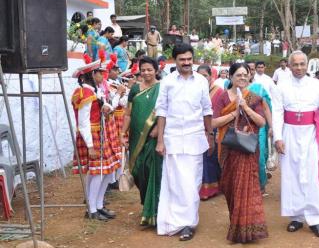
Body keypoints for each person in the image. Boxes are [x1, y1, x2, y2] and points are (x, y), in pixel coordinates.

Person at [155, 43, 213, 241]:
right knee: (175, 182)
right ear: (175, 61)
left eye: (189, 59)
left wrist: (210, 134)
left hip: (195, 138)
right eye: (182, 60)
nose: (187, 63)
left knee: (191, 183)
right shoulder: (167, 82)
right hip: (172, 139)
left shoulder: (201, 82)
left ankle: (188, 223)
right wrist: (160, 141)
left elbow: (207, 110)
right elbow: (161, 112)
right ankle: (174, 222)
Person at [273, 51, 319, 238]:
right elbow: (277, 113)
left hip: (312, 134)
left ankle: (316, 219)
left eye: (302, 64)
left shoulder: (318, 86)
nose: (298, 68)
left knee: (313, 175)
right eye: (295, 64)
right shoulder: (281, 86)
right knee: (292, 175)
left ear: (307, 65)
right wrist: (278, 138)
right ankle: (297, 217)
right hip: (290, 133)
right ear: (289, 66)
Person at [212, 63, 268, 243]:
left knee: (247, 188)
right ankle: (236, 223)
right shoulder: (221, 96)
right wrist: (233, 114)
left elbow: (261, 122)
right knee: (230, 187)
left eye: (245, 74)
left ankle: (247, 229)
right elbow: (213, 123)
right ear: (231, 76)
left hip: (247, 150)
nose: (242, 78)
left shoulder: (254, 97)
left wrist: (245, 106)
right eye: (238, 75)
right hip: (228, 149)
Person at [71, 58, 120, 221]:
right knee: (98, 172)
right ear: (92, 74)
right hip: (92, 136)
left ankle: (98, 206)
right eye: (100, 72)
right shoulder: (86, 93)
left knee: (104, 172)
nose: (103, 75)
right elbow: (83, 122)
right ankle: (92, 209)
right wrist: (90, 146)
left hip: (100, 134)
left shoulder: (93, 91)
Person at [120, 57, 162, 226]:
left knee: (152, 171)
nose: (146, 73)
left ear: (156, 71)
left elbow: (167, 112)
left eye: (149, 70)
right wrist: (122, 133)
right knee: (138, 172)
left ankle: (153, 212)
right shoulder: (135, 88)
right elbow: (128, 113)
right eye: (143, 70)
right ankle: (146, 205)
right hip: (136, 137)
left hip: (153, 137)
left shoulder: (162, 88)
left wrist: (158, 129)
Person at [197, 65, 224, 200]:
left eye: (205, 76)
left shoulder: (218, 91)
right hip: (196, 129)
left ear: (211, 77)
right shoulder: (194, 90)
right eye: (199, 75)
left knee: (210, 159)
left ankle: (211, 189)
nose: (202, 78)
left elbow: (223, 110)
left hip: (213, 129)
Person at [246, 62, 273, 192]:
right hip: (240, 128)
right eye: (247, 70)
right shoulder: (233, 88)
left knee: (260, 155)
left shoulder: (259, 88)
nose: (249, 73)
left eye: (251, 70)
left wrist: (271, 126)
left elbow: (267, 109)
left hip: (259, 126)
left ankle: (260, 184)